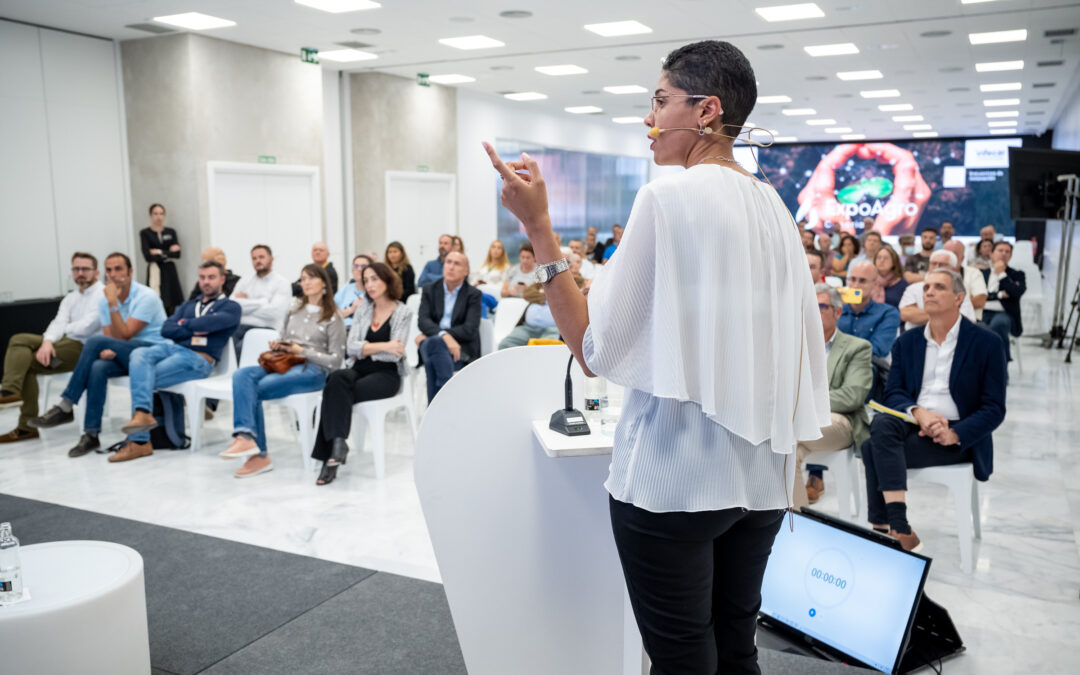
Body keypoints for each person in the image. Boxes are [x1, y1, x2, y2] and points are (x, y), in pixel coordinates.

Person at [484, 39, 830, 673]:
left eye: (660, 101)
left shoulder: (667, 199)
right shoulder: (775, 207)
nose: (649, 120)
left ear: (707, 111)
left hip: (673, 480)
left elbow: (592, 349)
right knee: (735, 647)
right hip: (762, 478)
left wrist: (539, 231)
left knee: (679, 658)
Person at [863, 269, 1006, 550]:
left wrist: (955, 433)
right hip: (913, 422)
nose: (928, 292)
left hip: (958, 435)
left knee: (871, 449)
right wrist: (919, 412)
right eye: (926, 287)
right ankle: (899, 527)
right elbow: (894, 394)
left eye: (938, 287)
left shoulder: (987, 343)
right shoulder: (907, 342)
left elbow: (994, 408)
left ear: (959, 298)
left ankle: (885, 530)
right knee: (881, 425)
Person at [29, 253, 168, 457]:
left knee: (94, 342)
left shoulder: (146, 296)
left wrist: (112, 304)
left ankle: (66, 405)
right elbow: (111, 339)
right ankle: (91, 434)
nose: (113, 275)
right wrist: (108, 345)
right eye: (109, 270)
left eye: (119, 269)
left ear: (130, 271)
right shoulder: (105, 301)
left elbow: (125, 334)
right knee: (97, 367)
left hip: (152, 351)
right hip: (127, 353)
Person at [219, 264, 346, 478]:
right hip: (286, 362)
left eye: (310, 278)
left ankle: (258, 454)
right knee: (242, 375)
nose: (305, 283)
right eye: (302, 278)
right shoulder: (294, 309)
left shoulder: (333, 317)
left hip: (313, 370)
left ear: (324, 283)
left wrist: (303, 351)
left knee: (256, 389)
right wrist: (281, 345)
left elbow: (335, 361)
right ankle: (246, 438)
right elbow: (286, 339)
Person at [110, 261, 241, 462]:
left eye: (211, 277)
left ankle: (139, 441)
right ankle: (143, 416)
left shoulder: (231, 307)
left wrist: (184, 324)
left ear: (222, 279)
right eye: (202, 277)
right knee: (139, 354)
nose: (206, 282)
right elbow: (166, 329)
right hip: (173, 348)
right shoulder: (189, 305)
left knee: (142, 376)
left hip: (199, 359)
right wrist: (194, 328)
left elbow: (215, 322)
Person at [312, 263, 410, 485]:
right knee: (336, 379)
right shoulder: (364, 308)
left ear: (387, 280)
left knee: (334, 393)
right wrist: (383, 345)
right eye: (366, 280)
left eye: (375, 279)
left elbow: (394, 356)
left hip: (387, 376)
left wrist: (366, 349)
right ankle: (338, 444)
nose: (370, 285)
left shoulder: (403, 311)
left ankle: (330, 460)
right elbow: (351, 347)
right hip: (358, 369)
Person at [0, 253, 104, 443]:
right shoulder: (71, 298)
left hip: (84, 349)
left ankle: (20, 417)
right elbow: (58, 322)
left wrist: (60, 333)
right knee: (19, 341)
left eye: (85, 269)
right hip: (62, 343)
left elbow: (88, 326)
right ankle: (11, 392)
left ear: (96, 272)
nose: (80, 273)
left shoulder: (103, 294)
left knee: (25, 363)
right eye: (76, 269)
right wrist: (47, 342)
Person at [797, 285, 873, 507]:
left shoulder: (857, 347)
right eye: (809, 306)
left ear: (838, 312)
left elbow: (853, 395)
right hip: (799, 420)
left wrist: (804, 403)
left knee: (786, 435)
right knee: (788, 450)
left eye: (820, 306)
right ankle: (795, 520)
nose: (812, 311)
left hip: (839, 420)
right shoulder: (795, 346)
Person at [415, 251, 482, 402]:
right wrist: (444, 336)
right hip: (434, 344)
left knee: (433, 350)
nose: (451, 267)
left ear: (466, 271)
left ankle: (435, 407)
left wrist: (437, 334)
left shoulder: (473, 294)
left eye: (457, 264)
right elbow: (423, 321)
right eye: (448, 262)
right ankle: (446, 402)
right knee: (435, 344)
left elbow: (469, 329)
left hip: (461, 350)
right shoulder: (430, 290)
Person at [230, 244, 293, 358]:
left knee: (242, 348)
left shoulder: (281, 283)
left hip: (267, 328)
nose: (257, 261)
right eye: (254, 258)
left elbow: (274, 313)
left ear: (271, 259)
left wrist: (245, 304)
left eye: (261, 257)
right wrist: (263, 302)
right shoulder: (245, 281)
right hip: (241, 327)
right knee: (224, 340)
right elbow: (232, 306)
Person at [837, 261, 901, 360]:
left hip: (867, 368)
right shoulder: (836, 311)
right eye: (852, 279)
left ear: (875, 284)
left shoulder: (887, 313)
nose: (855, 285)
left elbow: (878, 350)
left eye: (862, 281)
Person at [899, 250, 977, 331]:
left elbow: (967, 320)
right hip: (914, 338)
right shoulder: (913, 288)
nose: (937, 267)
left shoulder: (959, 289)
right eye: (934, 263)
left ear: (953, 268)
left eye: (942, 264)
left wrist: (920, 314)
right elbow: (905, 314)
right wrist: (946, 314)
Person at [981, 240, 1026, 363]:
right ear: (991, 254)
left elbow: (1016, 292)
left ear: (1010, 256)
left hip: (1004, 313)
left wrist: (1001, 274)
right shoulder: (981, 273)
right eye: (1000, 250)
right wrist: (1000, 294)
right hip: (981, 311)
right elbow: (980, 295)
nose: (1003, 254)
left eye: (1007, 252)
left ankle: (1000, 367)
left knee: (999, 325)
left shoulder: (1017, 275)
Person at [139, 203, 184, 315]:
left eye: (161, 213)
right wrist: (168, 252)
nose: (159, 217)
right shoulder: (145, 233)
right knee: (157, 299)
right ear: (150, 215)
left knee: (172, 300)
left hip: (169, 269)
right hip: (155, 270)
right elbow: (148, 256)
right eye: (155, 214)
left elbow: (177, 254)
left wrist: (159, 252)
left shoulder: (170, 232)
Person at [498, 282, 563, 349]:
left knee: (545, 349)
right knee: (505, 345)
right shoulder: (539, 283)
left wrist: (542, 295)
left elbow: (568, 297)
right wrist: (550, 296)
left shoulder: (570, 282)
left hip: (553, 329)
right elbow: (527, 294)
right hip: (527, 327)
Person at [944, 239, 988, 320]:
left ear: (962, 258)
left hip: (969, 322)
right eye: (947, 254)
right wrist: (966, 300)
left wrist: (943, 306)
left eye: (955, 254)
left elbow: (980, 301)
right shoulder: (933, 275)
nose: (951, 258)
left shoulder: (973, 273)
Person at [334, 254, 373, 329]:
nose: (359, 269)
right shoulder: (344, 290)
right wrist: (351, 310)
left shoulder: (374, 291)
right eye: (356, 266)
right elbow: (332, 315)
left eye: (363, 267)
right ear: (352, 270)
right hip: (342, 330)